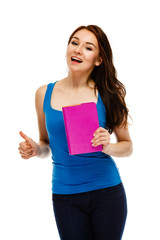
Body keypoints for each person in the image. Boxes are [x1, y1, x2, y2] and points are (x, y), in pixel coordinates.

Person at [18, 25, 133, 240]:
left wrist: (108, 146)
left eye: (88, 48)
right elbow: (45, 144)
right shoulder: (43, 93)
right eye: (74, 42)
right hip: (65, 195)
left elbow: (127, 145)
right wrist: (36, 148)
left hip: (107, 193)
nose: (78, 50)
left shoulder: (109, 94)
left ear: (99, 60)